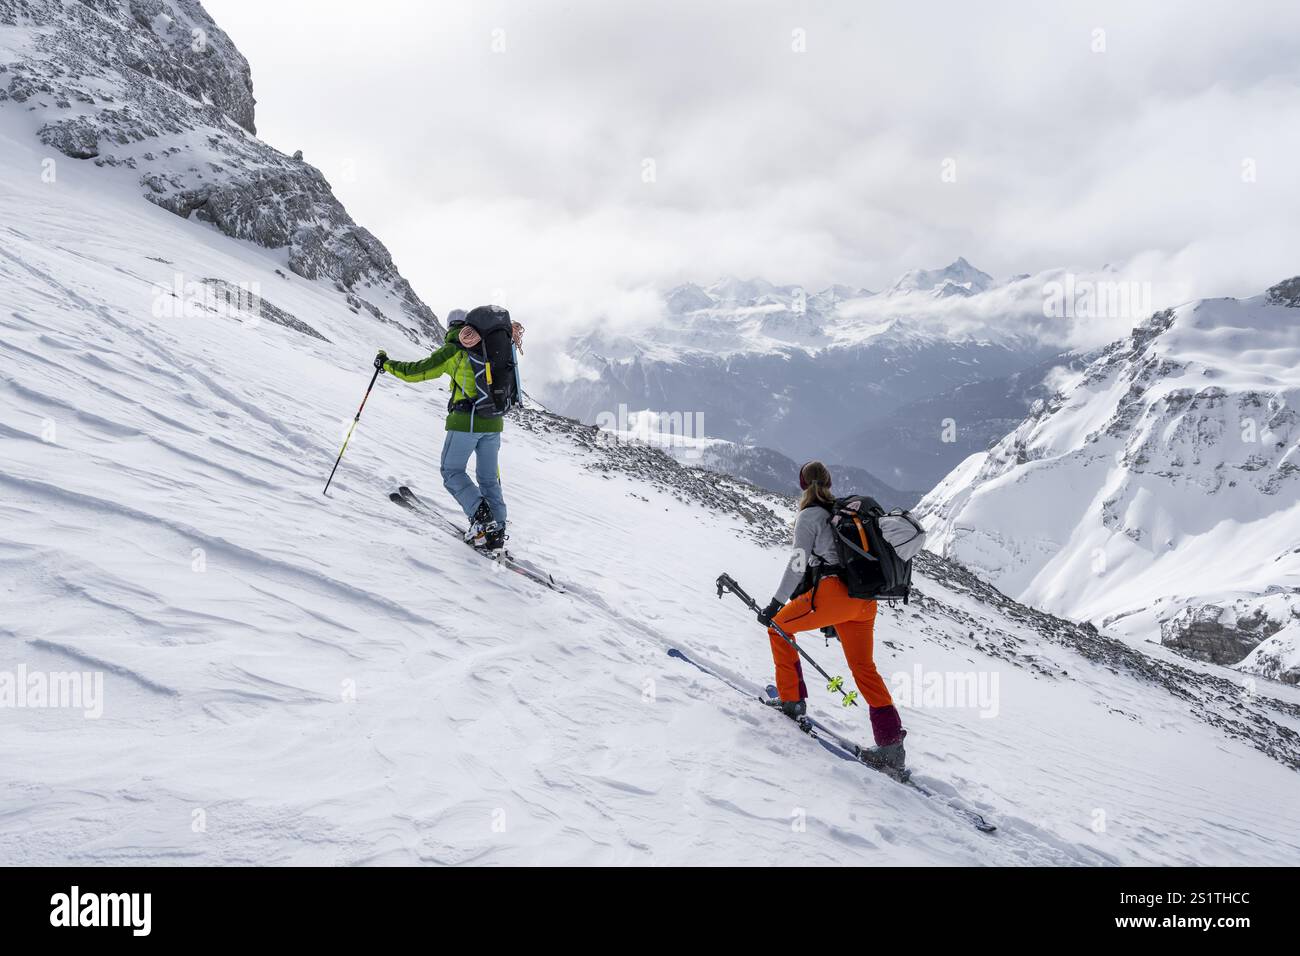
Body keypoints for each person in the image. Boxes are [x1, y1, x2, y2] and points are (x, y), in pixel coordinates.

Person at [757, 460, 907, 768]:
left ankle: (791, 701)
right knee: (864, 667)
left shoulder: (809, 516)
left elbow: (798, 563)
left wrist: (775, 604)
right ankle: (891, 746)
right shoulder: (841, 513)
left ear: (802, 485)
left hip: (833, 594)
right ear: (828, 483)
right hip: (864, 601)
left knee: (779, 627)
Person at [375, 308, 524, 551]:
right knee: (488, 478)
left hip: (466, 422)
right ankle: (497, 528)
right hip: (495, 422)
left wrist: (386, 364)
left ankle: (481, 518)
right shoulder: (491, 345)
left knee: (451, 471)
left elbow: (417, 371)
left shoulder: (455, 349)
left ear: (450, 327)